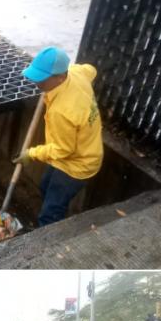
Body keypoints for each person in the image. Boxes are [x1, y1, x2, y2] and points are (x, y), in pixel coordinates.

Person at [15, 46, 103, 226]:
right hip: (77, 150)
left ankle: (50, 232)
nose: (36, 82)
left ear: (60, 77)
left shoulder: (62, 111)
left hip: (78, 163)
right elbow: (91, 70)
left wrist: (31, 154)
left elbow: (63, 150)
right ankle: (56, 209)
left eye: (42, 78)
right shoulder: (76, 73)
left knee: (50, 212)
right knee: (45, 186)